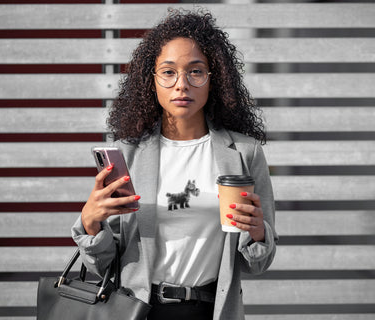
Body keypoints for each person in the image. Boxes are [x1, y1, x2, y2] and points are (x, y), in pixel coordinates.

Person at [72, 9, 278, 320]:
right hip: (139, 310)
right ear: (151, 81)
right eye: (168, 72)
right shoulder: (127, 154)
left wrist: (259, 234)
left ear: (214, 79)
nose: (181, 84)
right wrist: (91, 225)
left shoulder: (244, 153)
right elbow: (103, 264)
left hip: (212, 311)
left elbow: (257, 263)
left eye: (195, 71)